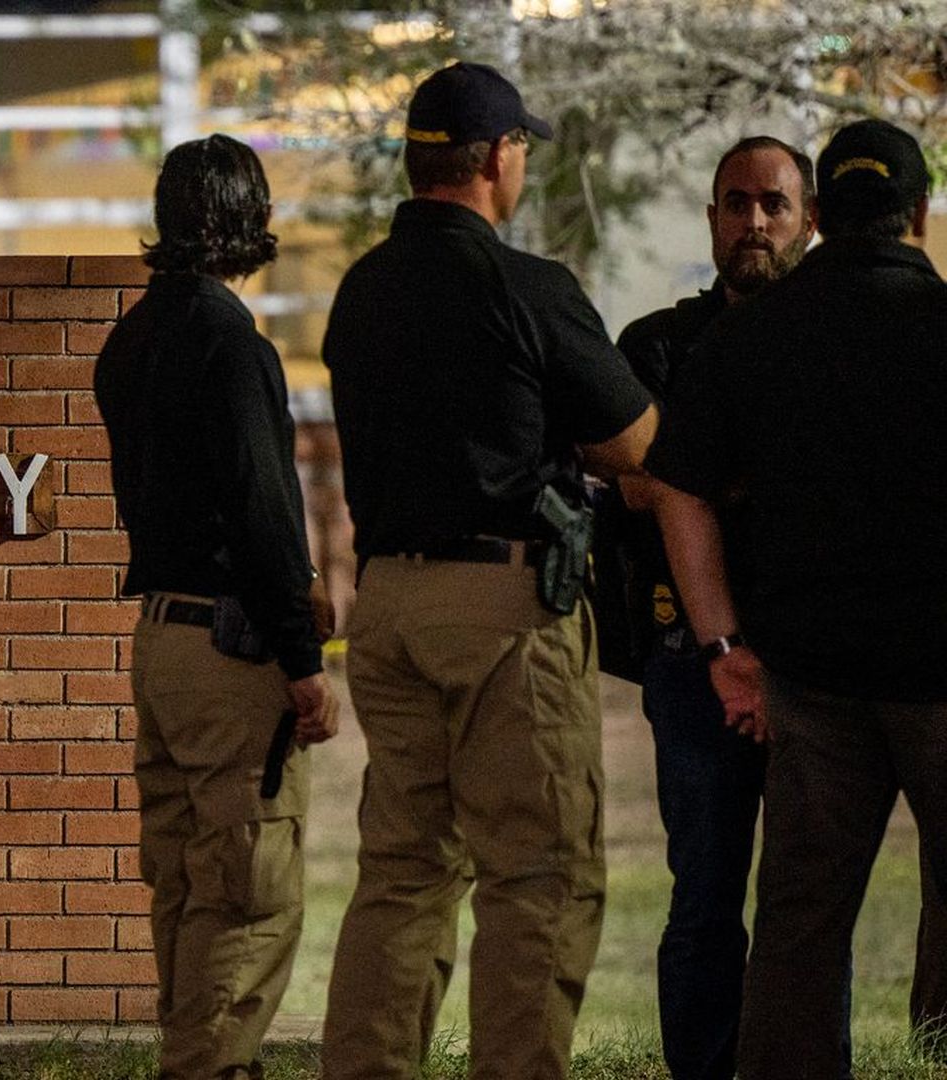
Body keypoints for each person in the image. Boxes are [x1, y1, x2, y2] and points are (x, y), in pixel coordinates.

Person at [317, 62, 657, 1080]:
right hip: (502, 609)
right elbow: (637, 444)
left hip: (387, 606)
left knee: (402, 873)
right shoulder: (528, 287)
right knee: (537, 875)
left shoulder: (362, 289)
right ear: (500, 158)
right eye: (520, 151)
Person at [644, 118, 947, 1079]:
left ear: (817, 216)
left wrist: (722, 642)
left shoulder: (751, 336)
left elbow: (679, 488)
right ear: (921, 215)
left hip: (809, 686)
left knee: (800, 929)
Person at [94, 133, 340, 1080]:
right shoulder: (231, 346)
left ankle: (191, 1054)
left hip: (159, 635)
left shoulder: (132, 338)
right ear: (251, 219)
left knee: (186, 877)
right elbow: (265, 512)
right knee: (248, 885)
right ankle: (210, 1066)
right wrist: (303, 662)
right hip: (233, 648)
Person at [612, 136, 816, 1080]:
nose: (755, 224)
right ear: (710, 218)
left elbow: (677, 481)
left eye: (774, 205)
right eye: (736, 204)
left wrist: (696, 482)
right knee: (704, 895)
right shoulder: (657, 346)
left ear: (809, 220)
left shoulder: (832, 338)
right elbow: (637, 483)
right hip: (693, 661)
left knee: (811, 899)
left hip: (821, 661)